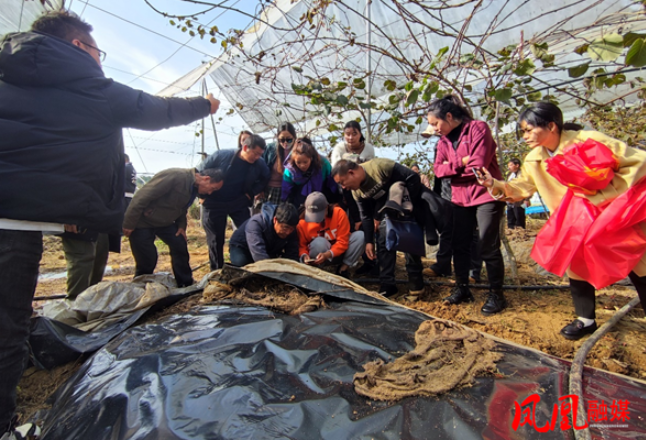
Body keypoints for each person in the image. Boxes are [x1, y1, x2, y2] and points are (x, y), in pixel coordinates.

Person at [0, 10, 221, 438]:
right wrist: (204, 105)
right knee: (7, 329)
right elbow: (155, 110)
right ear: (79, 47)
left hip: (18, 218)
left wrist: (175, 226)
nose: (100, 60)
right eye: (98, 51)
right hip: (15, 228)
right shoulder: (88, 85)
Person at [478, 101, 646, 340]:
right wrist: (493, 185)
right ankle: (585, 320)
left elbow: (638, 162)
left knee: (638, 262)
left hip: (612, 214)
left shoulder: (588, 141)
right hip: (575, 221)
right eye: (523, 131)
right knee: (576, 263)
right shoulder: (535, 159)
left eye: (528, 130)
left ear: (551, 126)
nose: (524, 136)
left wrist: (603, 194)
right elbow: (521, 187)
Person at [428, 95, 506, 315]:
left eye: (436, 123)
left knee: (486, 245)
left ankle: (496, 295)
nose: (434, 129)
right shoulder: (442, 142)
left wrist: (452, 167)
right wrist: (460, 163)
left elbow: (478, 163)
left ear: (449, 116)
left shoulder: (478, 129)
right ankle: (462, 288)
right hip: (460, 198)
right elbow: (438, 171)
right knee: (459, 244)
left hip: (486, 194)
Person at [332, 158, 440, 297]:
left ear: (351, 173)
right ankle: (388, 286)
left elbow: (412, 178)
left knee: (410, 242)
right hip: (385, 213)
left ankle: (416, 285)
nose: (343, 188)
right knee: (383, 242)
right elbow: (365, 216)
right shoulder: (356, 192)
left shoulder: (380, 167)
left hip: (406, 206)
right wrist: (369, 242)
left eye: (342, 182)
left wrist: (403, 205)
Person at [123, 168, 224, 287]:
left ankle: (185, 283)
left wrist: (181, 226)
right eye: (213, 188)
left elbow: (182, 207)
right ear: (206, 179)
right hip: (143, 221)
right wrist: (129, 223)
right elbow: (142, 197)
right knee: (147, 258)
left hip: (165, 222)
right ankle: (140, 285)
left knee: (179, 245)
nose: (210, 193)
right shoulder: (177, 176)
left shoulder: (193, 188)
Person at [199, 134, 270, 270]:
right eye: (255, 153)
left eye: (260, 155)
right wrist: (201, 194)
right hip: (214, 202)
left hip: (239, 201)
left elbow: (265, 177)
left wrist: (251, 193)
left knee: (249, 231)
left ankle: (250, 265)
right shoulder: (221, 156)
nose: (257, 157)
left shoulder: (259, 163)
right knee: (215, 239)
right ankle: (217, 271)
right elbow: (199, 173)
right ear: (245, 147)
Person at [330, 121, 377, 277]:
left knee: (367, 225)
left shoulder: (368, 148)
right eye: (347, 134)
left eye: (354, 133)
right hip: (347, 192)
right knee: (353, 226)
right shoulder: (338, 148)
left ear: (360, 134)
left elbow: (367, 169)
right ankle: (347, 259)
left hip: (365, 189)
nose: (350, 137)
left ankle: (371, 263)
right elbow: (338, 170)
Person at [297, 192, 365, 278]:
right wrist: (304, 256)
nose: (316, 220)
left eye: (319, 215)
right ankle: (315, 272)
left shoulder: (339, 213)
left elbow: (343, 241)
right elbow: (301, 246)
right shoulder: (302, 222)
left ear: (326, 208)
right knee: (319, 242)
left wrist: (328, 254)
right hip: (317, 255)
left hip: (338, 254)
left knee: (360, 236)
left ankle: (343, 269)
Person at [229, 203, 300, 266]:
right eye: (285, 228)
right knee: (242, 267)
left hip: (269, 250)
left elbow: (292, 255)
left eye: (292, 229)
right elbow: (259, 254)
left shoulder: (291, 231)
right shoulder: (256, 223)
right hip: (242, 247)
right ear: (275, 220)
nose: (288, 232)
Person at [282, 138, 339, 207]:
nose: (302, 165)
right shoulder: (290, 170)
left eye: (305, 162)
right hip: (299, 201)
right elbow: (286, 192)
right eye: (298, 162)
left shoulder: (323, 164)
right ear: (294, 160)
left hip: (321, 197)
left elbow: (331, 185)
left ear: (311, 158)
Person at [257, 123, 296, 215]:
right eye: (282, 140)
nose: (285, 143)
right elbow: (260, 169)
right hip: (269, 190)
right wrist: (259, 188)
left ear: (294, 137)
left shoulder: (298, 150)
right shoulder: (270, 149)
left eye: (289, 139)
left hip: (289, 191)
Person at [506, 158, 529, 229]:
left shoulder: (523, 175)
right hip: (510, 200)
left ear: (517, 165)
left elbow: (527, 187)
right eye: (508, 165)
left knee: (519, 218)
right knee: (510, 218)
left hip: (519, 200)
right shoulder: (510, 175)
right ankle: (512, 232)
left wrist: (527, 199)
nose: (509, 167)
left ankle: (521, 233)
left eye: (511, 165)